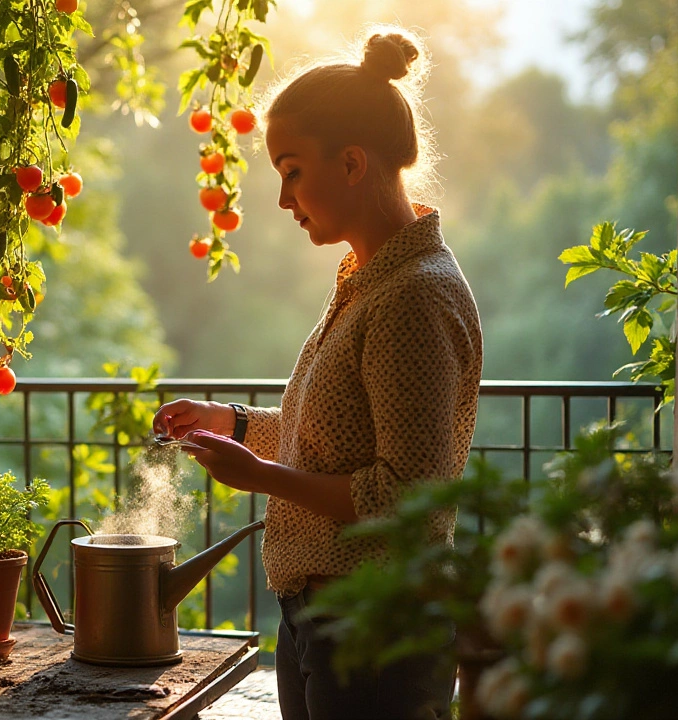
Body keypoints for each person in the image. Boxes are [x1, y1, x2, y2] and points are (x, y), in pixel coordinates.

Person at [152, 26, 483, 720]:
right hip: (321, 619)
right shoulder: (367, 280)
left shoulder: (413, 297)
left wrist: (260, 477)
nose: (281, 198)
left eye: (292, 168)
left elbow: (405, 501)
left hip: (376, 629)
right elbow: (333, 441)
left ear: (354, 163)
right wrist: (234, 423)